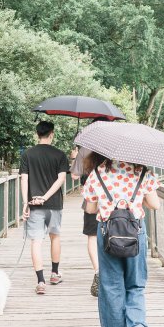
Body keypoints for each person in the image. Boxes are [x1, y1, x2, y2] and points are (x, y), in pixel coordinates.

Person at [81, 153, 161, 327]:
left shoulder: (97, 174)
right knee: (135, 286)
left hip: (108, 234)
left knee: (112, 288)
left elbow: (90, 208)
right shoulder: (142, 173)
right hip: (135, 234)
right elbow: (155, 205)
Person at [19, 120, 69, 294]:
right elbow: (61, 179)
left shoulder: (27, 154)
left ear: (37, 134)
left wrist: (26, 202)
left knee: (36, 241)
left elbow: (24, 179)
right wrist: (46, 197)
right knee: (55, 237)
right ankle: (55, 273)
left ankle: (40, 282)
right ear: (52, 134)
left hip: (33, 205)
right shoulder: (60, 155)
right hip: (54, 204)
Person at [70, 118, 107, 297]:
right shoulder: (114, 148)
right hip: (113, 199)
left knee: (92, 236)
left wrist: (75, 157)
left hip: (93, 198)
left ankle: (98, 270)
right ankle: (111, 270)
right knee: (112, 232)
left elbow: (75, 176)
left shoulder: (85, 148)